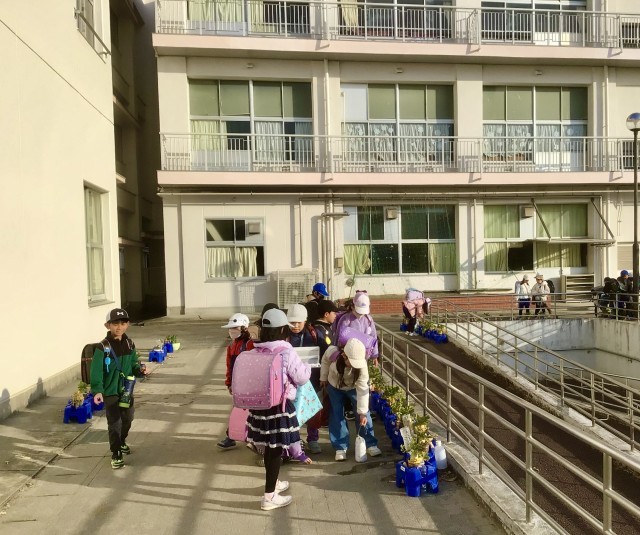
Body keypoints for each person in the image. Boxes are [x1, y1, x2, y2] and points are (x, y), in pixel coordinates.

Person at [246, 308, 311, 511]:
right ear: (283, 329)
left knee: (269, 447)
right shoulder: (286, 350)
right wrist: (307, 367)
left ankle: (273, 484)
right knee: (275, 450)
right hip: (278, 407)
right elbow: (302, 377)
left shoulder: (256, 349)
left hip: (259, 406)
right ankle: (269, 497)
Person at [90, 308, 148, 469]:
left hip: (126, 391)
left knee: (128, 418)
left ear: (127, 325)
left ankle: (121, 441)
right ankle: (116, 453)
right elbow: (96, 371)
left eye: (123, 323)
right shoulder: (103, 347)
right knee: (114, 423)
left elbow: (134, 364)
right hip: (110, 392)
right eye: (115, 323)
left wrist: (140, 370)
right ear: (107, 325)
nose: (119, 327)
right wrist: (98, 390)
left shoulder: (129, 344)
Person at [320, 338, 382, 461]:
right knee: (336, 415)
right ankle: (340, 447)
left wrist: (362, 412)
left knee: (364, 415)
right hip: (335, 386)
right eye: (352, 362)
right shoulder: (332, 352)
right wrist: (323, 377)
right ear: (344, 355)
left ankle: (370, 443)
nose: (355, 365)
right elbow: (325, 361)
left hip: (354, 388)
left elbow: (363, 390)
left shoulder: (362, 367)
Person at [333, 290, 379, 420]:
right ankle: (350, 408)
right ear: (352, 306)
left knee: (362, 380)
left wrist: (375, 355)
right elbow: (338, 337)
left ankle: (363, 409)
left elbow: (373, 337)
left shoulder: (368, 320)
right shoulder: (345, 319)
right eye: (358, 311)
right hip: (347, 356)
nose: (360, 315)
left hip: (362, 357)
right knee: (348, 380)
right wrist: (338, 352)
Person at [284, 303, 320, 464]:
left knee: (312, 411)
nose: (295, 326)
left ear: (305, 321)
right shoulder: (284, 336)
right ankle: (296, 441)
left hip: (311, 379)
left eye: (299, 322)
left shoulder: (314, 334)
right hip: (290, 382)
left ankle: (313, 439)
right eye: (292, 322)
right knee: (292, 413)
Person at [217, 313, 254, 450]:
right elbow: (230, 367)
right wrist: (229, 383)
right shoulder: (231, 346)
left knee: (253, 413)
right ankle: (232, 436)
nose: (232, 331)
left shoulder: (251, 344)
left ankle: (251, 439)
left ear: (244, 328)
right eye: (231, 329)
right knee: (237, 412)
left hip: (251, 385)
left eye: (235, 328)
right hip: (238, 385)